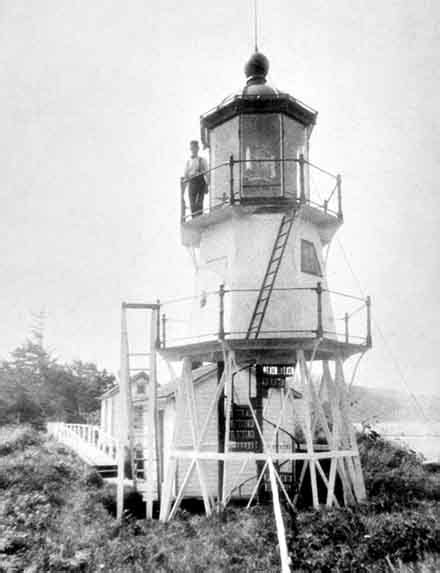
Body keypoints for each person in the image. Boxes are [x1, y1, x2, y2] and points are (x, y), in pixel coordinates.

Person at [183, 140, 209, 217]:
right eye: (192, 148)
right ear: (190, 149)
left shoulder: (202, 160)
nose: (193, 150)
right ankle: (194, 218)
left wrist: (207, 185)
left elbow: (207, 173)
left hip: (200, 182)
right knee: (192, 203)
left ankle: (200, 218)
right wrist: (183, 192)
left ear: (198, 149)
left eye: (195, 148)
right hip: (192, 183)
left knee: (199, 203)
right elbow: (185, 176)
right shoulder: (188, 161)